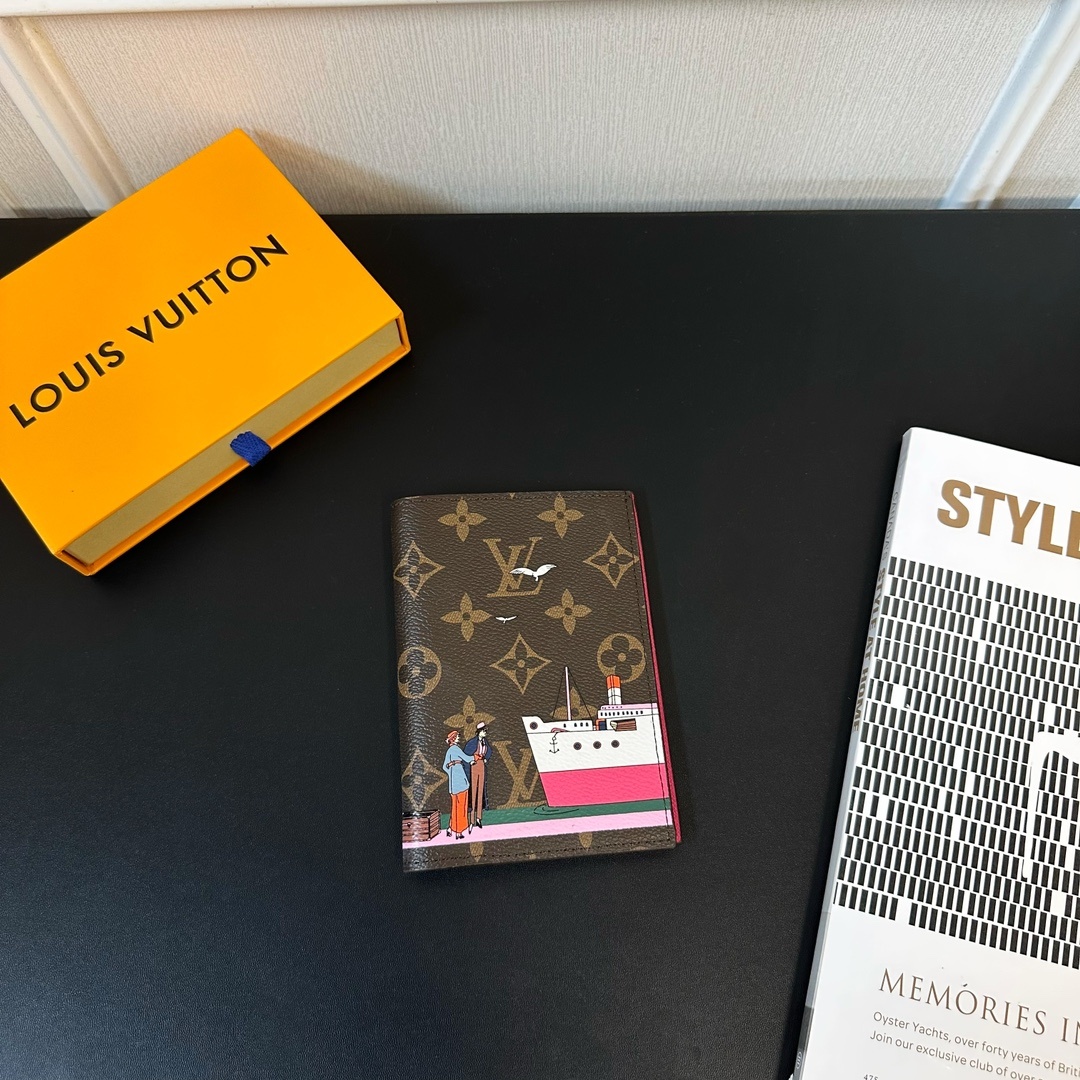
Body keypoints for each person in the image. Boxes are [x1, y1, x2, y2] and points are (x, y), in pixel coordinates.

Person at [442, 730, 472, 839]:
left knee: (455, 807)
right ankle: (459, 831)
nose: (459, 738)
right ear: (454, 739)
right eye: (458, 736)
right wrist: (476, 757)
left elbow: (444, 766)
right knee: (461, 808)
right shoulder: (455, 749)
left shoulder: (449, 751)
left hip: (453, 785)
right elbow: (467, 758)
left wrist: (451, 773)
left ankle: (451, 828)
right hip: (461, 784)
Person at [463, 720, 491, 832]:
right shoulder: (472, 742)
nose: (485, 733)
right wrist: (471, 761)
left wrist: (485, 758)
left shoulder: (485, 742)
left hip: (481, 766)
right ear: (479, 731)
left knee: (480, 792)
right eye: (484, 731)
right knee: (473, 791)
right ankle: (471, 820)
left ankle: (479, 818)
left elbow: (489, 751)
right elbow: (466, 754)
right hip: (473, 767)